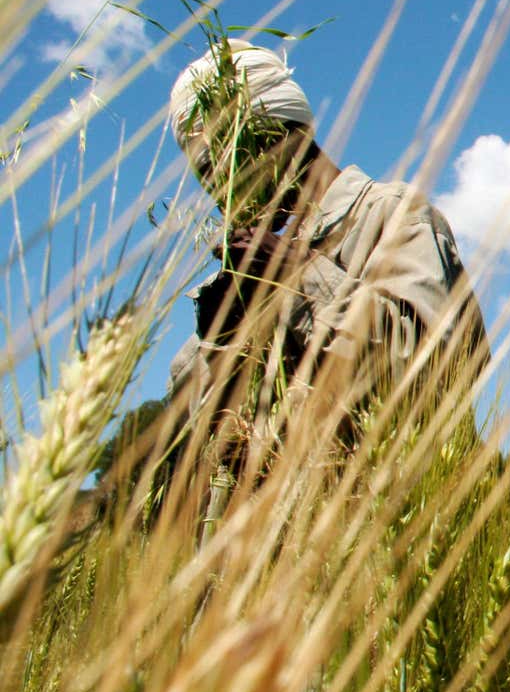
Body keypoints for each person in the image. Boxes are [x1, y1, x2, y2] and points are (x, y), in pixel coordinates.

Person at [102, 39, 489, 515]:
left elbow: (434, 365)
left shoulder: (391, 214)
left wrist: (299, 278)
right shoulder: (255, 267)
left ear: (277, 135)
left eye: (219, 166)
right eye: (204, 176)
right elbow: (197, 449)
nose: (218, 193)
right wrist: (223, 334)